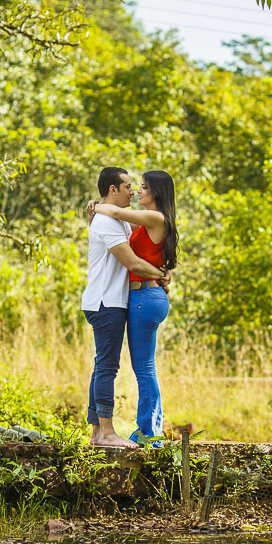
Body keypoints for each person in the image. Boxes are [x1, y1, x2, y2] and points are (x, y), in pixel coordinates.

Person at [88, 170, 179, 446]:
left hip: (145, 296)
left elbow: (116, 215)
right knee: (135, 367)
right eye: (133, 186)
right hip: (139, 296)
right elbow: (116, 222)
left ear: (157, 193)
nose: (137, 191)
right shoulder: (140, 222)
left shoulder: (155, 217)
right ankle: (139, 430)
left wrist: (96, 205)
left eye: (143, 187)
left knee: (144, 368)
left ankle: (149, 432)